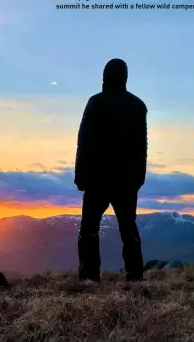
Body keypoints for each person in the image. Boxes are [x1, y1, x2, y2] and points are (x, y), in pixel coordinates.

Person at [74, 58, 147, 282]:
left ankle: (89, 275)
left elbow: (84, 141)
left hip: (97, 178)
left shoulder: (95, 103)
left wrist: (80, 176)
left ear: (104, 77)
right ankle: (135, 274)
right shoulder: (137, 105)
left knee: (89, 229)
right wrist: (138, 178)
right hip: (126, 180)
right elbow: (141, 146)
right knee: (128, 228)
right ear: (125, 77)